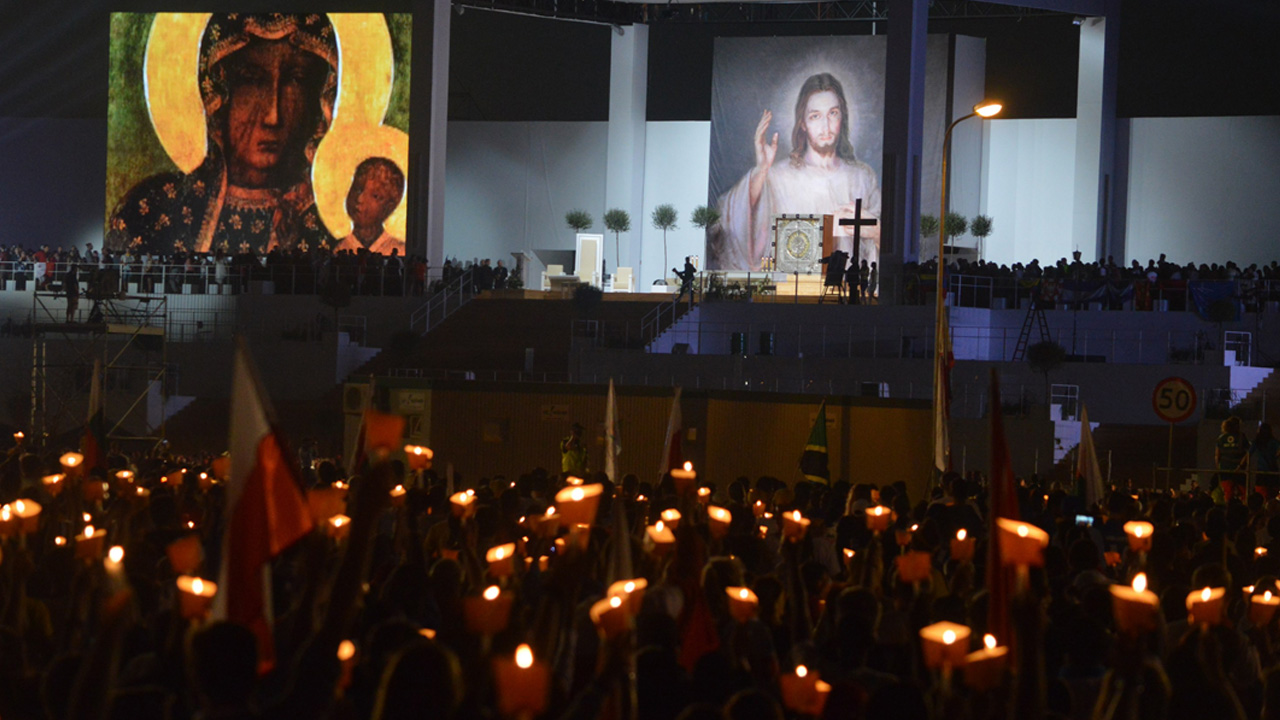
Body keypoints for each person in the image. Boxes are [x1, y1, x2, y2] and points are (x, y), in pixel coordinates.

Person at [107, 14, 339, 255]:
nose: (273, 116)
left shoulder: (329, 221)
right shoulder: (154, 210)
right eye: (251, 79)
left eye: (297, 79)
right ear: (215, 96)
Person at [709, 72, 881, 271]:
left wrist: (877, 232)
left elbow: (880, 243)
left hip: (846, 291)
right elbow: (728, 222)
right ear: (803, 124)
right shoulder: (777, 177)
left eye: (833, 113)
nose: (826, 126)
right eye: (815, 116)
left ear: (843, 116)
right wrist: (761, 170)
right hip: (793, 292)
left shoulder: (862, 177)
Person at [336, 157, 406, 256]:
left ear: (389, 206)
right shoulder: (337, 248)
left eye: (375, 196)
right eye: (357, 189)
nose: (360, 199)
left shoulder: (400, 251)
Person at [1215, 415, 1249, 503]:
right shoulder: (1241, 437)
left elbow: (1217, 455)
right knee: (1244, 493)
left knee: (1228, 493)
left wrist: (1218, 468)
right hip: (1239, 469)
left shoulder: (1221, 438)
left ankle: (1228, 510)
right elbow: (1248, 452)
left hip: (1225, 469)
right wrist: (1241, 465)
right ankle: (1244, 510)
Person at [1251, 422, 1280, 496]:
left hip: (1261, 471)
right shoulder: (1273, 442)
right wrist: (1275, 456)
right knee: (1273, 494)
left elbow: (1249, 453)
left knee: (1261, 493)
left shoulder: (1256, 442)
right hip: (1272, 469)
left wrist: (1240, 465)